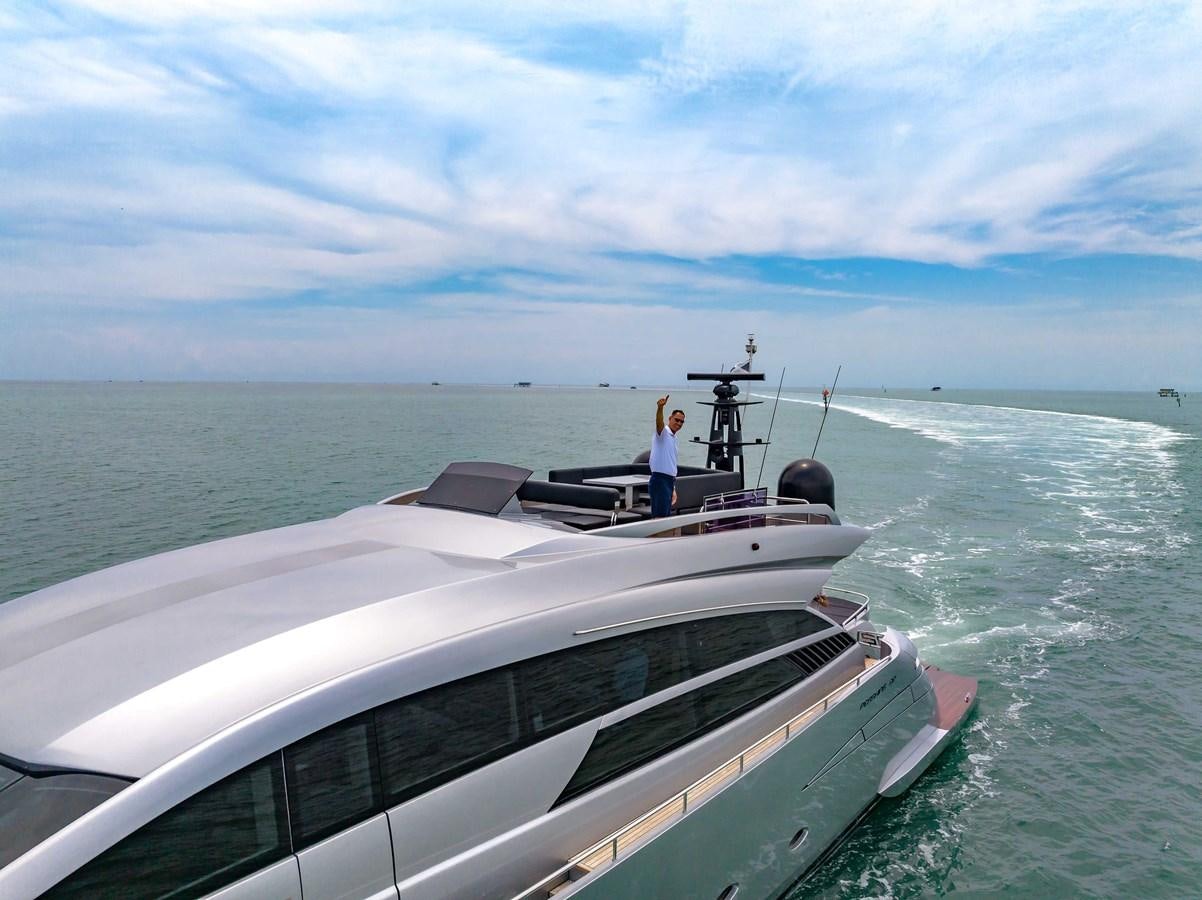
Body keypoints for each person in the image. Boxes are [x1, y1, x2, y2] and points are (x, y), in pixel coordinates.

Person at [650, 395, 685, 518]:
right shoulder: (663, 432)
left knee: (665, 517)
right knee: (659, 518)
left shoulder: (675, 438)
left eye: (682, 422)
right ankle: (657, 538)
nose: (679, 423)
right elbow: (659, 423)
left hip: (669, 481)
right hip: (659, 480)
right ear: (670, 418)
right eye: (676, 420)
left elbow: (671, 464)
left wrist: (673, 487)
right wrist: (660, 408)